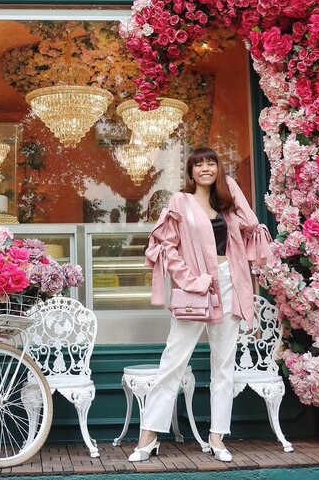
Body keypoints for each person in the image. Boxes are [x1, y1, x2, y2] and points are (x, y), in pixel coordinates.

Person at [129, 147, 273, 463]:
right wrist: (190, 280)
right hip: (196, 287)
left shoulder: (228, 200)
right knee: (173, 361)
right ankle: (149, 434)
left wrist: (231, 187)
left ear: (218, 169)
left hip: (230, 281)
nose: (205, 168)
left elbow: (251, 226)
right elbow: (166, 246)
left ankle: (217, 437)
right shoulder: (180, 202)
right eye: (199, 164)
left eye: (211, 163)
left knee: (223, 365)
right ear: (190, 171)